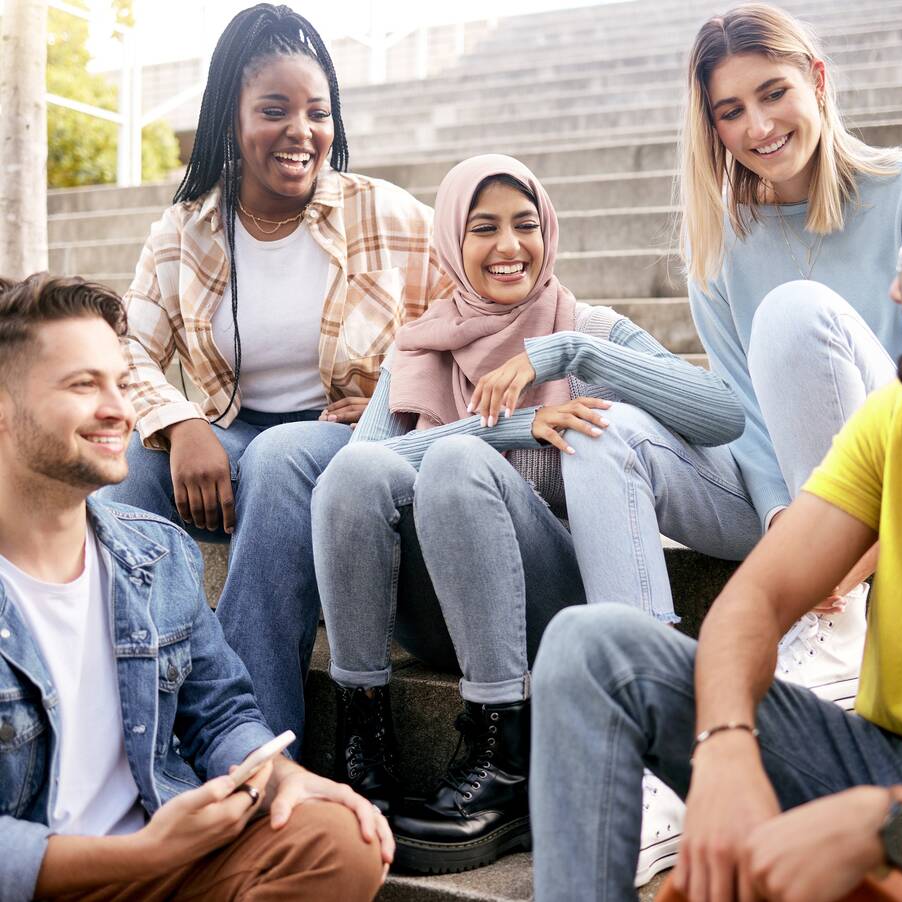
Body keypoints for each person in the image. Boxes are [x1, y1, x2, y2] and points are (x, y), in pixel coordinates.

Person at [529, 141, 902, 902]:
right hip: (870, 761)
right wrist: (724, 745)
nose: (895, 290)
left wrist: (889, 827)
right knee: (592, 648)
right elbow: (754, 601)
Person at [310, 154, 744, 874]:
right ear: (452, 240)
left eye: (526, 225)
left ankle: (505, 761)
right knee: (358, 469)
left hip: (544, 606)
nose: (509, 246)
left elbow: (721, 413)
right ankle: (366, 751)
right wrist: (510, 427)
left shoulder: (589, 328)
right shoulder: (417, 348)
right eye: (484, 228)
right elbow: (352, 482)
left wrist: (569, 355)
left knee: (453, 463)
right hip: (434, 615)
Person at [553, 3, 902, 710]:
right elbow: (744, 412)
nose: (758, 128)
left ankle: (842, 628)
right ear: (712, 127)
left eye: (773, 93)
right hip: (784, 505)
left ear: (816, 80)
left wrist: (841, 547)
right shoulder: (721, 245)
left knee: (795, 311)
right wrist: (781, 524)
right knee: (601, 431)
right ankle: (647, 699)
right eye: (730, 111)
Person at [100, 4, 449, 752]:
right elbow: (123, 350)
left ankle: (253, 746)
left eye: (318, 112)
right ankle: (134, 719)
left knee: (279, 457)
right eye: (275, 110)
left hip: (338, 443)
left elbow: (478, 320)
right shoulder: (186, 230)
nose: (302, 131)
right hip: (230, 437)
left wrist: (398, 403)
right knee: (123, 474)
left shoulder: (384, 214)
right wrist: (180, 422)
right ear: (230, 118)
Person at [0, 275, 394, 902]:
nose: (120, 411)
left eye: (120, 383)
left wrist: (273, 773)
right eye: (83, 384)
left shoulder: (153, 554)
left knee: (338, 836)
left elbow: (220, 712)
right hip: (51, 876)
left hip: (164, 858)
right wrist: (140, 855)